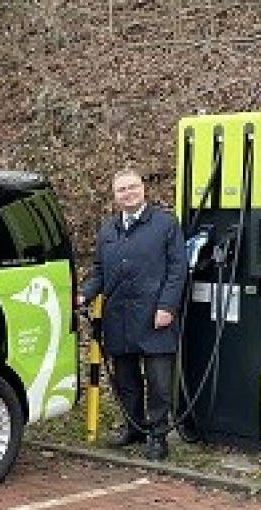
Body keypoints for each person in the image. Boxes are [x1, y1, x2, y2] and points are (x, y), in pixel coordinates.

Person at [78, 168, 187, 461]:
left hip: (155, 316)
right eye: (122, 190)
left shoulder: (165, 224)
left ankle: (158, 435)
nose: (128, 193)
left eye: (132, 187)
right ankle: (134, 428)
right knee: (126, 380)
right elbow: (99, 271)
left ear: (143, 189)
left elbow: (178, 270)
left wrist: (167, 307)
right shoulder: (107, 230)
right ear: (114, 197)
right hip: (119, 317)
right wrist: (84, 294)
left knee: (159, 382)